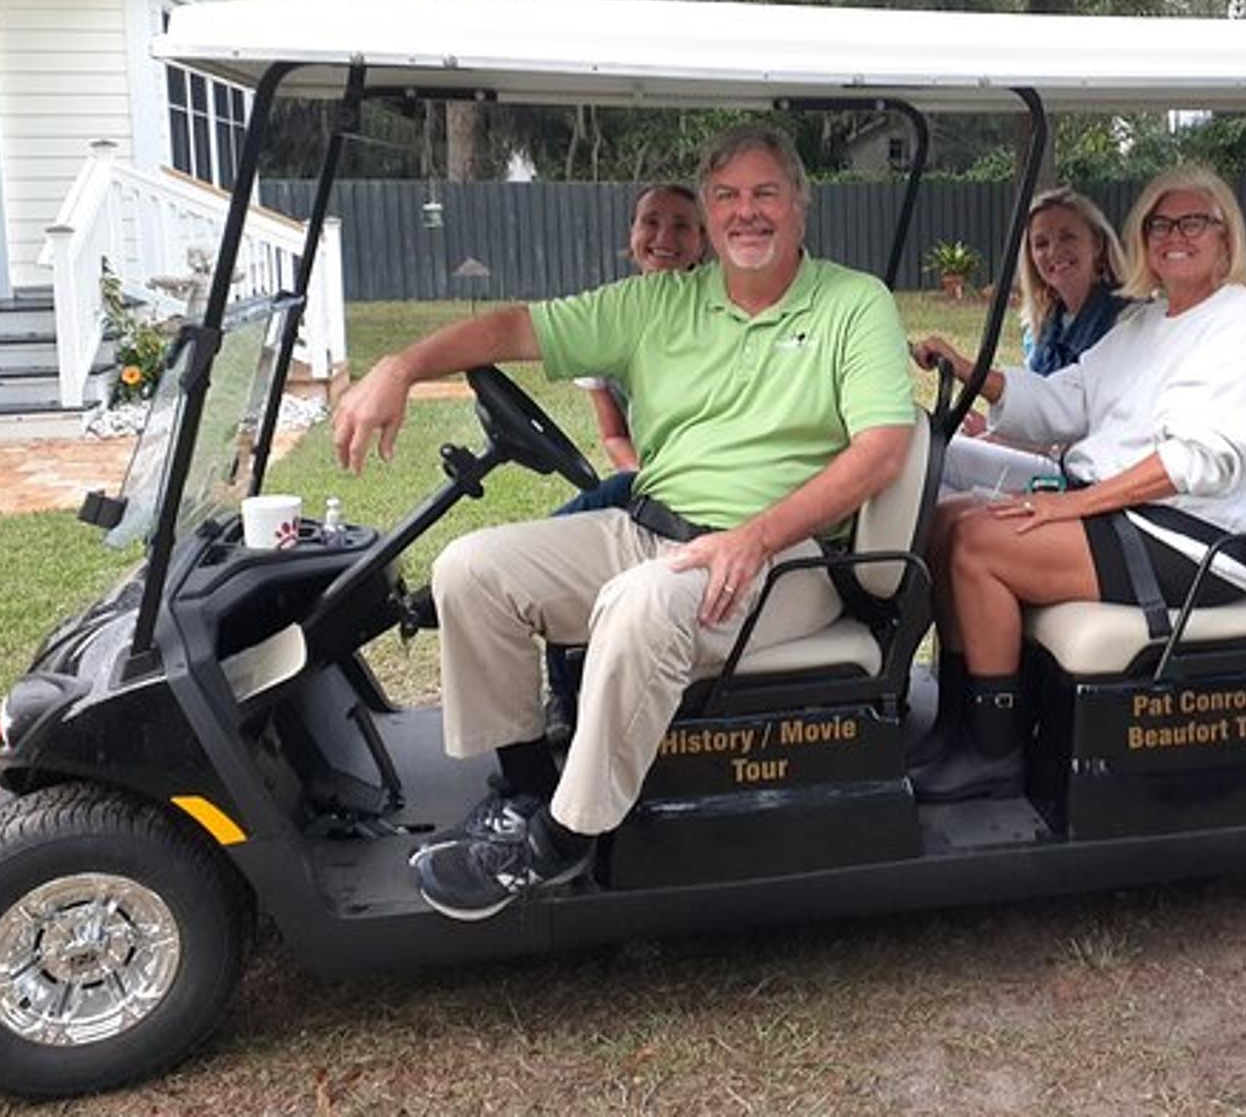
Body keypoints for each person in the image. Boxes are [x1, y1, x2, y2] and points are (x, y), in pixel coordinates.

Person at [330, 125, 916, 920]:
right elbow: (513, 328)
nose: (748, 212)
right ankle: (530, 790)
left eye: (766, 193)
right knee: (471, 567)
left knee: (642, 600)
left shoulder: (853, 303)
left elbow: (882, 449)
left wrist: (756, 535)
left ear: (799, 207)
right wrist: (400, 365)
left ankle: (563, 840)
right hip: (648, 529)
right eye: (729, 197)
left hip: (782, 560)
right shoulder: (656, 303)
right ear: (709, 215)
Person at [908, 165, 1246, 802]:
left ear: (1226, 238)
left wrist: (1074, 505)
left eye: (1194, 222)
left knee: (979, 544)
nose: (1175, 236)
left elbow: (1204, 459)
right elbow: (1067, 402)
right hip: (1130, 520)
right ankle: (958, 721)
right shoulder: (1146, 324)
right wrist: (969, 368)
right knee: (948, 520)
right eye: (1160, 224)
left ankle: (994, 748)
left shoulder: (1244, 322)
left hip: (1193, 542)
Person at [543, 182, 706, 745]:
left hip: (706, 493)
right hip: (646, 477)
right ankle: (564, 692)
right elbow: (613, 433)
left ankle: (569, 696)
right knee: (555, 543)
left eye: (682, 226)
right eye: (651, 223)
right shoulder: (608, 318)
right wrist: (647, 477)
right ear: (632, 235)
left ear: (703, 242)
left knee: (561, 541)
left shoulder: (716, 315)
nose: (664, 238)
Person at [941, 186, 1131, 495]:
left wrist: (1000, 437)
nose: (1054, 252)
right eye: (1041, 243)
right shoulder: (1049, 323)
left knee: (937, 456)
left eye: (1067, 237)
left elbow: (1079, 425)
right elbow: (1039, 408)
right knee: (934, 470)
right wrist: (995, 431)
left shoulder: (1123, 322)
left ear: (1096, 243)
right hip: (1043, 454)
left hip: (1079, 475)